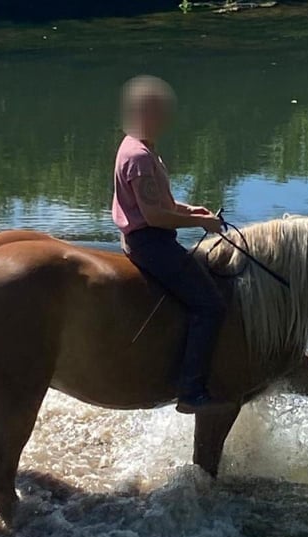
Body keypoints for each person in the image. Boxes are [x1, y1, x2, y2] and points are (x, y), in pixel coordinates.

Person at [112, 75, 226, 414]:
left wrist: (191, 210)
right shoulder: (139, 157)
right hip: (151, 242)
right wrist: (202, 224)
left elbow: (160, 203)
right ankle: (191, 389)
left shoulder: (138, 146)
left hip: (145, 236)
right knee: (211, 306)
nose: (165, 119)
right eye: (158, 112)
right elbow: (154, 216)